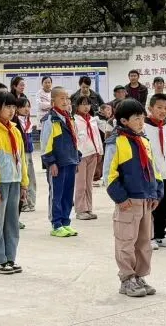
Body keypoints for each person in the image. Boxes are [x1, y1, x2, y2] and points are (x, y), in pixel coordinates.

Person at [104, 99, 163, 298]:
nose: (141, 122)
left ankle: (139, 275)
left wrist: (156, 192)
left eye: (142, 117)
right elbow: (109, 175)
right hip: (128, 202)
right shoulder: (116, 142)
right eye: (136, 118)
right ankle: (127, 278)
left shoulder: (144, 141)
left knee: (144, 241)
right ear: (123, 120)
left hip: (146, 200)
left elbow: (153, 169)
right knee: (126, 240)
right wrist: (120, 198)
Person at [0, 91, 29, 275]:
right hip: (0, 183)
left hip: (15, 181)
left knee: (12, 221)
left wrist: (24, 183)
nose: (11, 111)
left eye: (13, 107)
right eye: (7, 107)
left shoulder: (15, 130)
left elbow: (21, 159)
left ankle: (10, 257)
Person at [40, 87, 80, 238]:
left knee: (68, 195)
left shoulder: (69, 117)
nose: (65, 101)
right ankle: (56, 224)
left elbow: (75, 140)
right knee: (56, 194)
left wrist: (76, 158)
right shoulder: (50, 119)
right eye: (62, 98)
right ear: (53, 101)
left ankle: (65, 222)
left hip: (70, 161)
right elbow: (45, 144)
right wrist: (51, 162)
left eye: (67, 98)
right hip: (57, 163)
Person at [145, 94, 166, 249]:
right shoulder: (144, 127)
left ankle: (160, 235)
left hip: (165, 173)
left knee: (165, 207)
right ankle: (148, 236)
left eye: (165, 108)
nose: (163, 111)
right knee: (151, 207)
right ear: (150, 108)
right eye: (159, 107)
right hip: (150, 175)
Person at [72, 94, 103, 221]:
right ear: (77, 106)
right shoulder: (74, 120)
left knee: (89, 183)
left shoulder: (92, 120)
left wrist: (99, 151)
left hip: (93, 154)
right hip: (81, 155)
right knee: (80, 184)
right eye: (83, 104)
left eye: (88, 104)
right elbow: (74, 139)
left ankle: (89, 208)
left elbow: (97, 136)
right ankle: (80, 210)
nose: (86, 107)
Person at [15, 97, 37, 213]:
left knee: (31, 177)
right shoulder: (15, 121)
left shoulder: (28, 121)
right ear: (17, 108)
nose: (26, 109)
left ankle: (31, 202)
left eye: (28, 106)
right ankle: (23, 203)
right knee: (23, 178)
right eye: (23, 106)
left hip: (29, 152)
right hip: (20, 153)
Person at [94, 102, 116, 185]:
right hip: (100, 142)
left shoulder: (110, 120)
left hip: (106, 143)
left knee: (106, 160)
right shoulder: (96, 119)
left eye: (110, 109)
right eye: (107, 109)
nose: (109, 111)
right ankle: (96, 177)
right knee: (100, 160)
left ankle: (103, 177)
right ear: (101, 110)